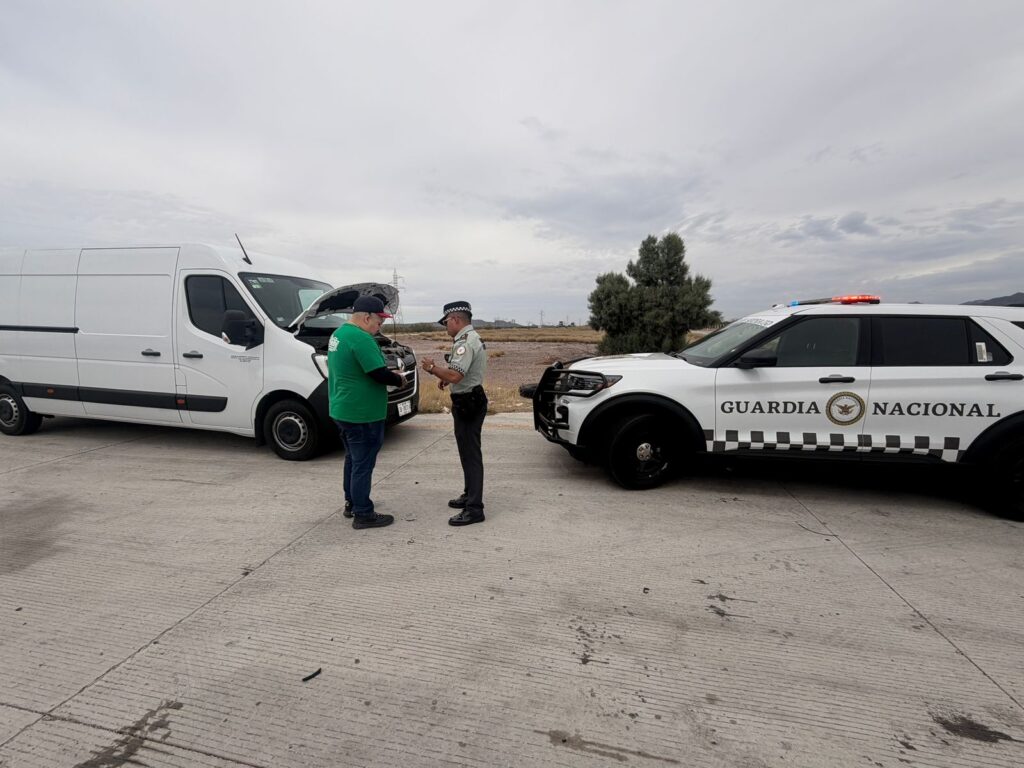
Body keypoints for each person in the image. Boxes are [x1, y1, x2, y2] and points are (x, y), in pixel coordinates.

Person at [328, 295, 405, 530]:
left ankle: (351, 503)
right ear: (366, 317)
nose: (379, 325)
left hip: (343, 408)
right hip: (362, 413)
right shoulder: (361, 338)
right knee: (363, 463)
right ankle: (363, 513)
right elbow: (378, 373)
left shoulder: (339, 334)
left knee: (353, 459)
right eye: (378, 321)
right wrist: (398, 380)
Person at [420, 301, 488, 526]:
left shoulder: (465, 343)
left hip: (469, 402)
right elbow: (458, 374)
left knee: (470, 455)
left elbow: (456, 376)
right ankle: (470, 495)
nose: (445, 326)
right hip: (467, 400)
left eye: (446, 322)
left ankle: (474, 509)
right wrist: (444, 377)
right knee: (467, 452)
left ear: (456, 320)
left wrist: (432, 369)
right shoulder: (467, 339)